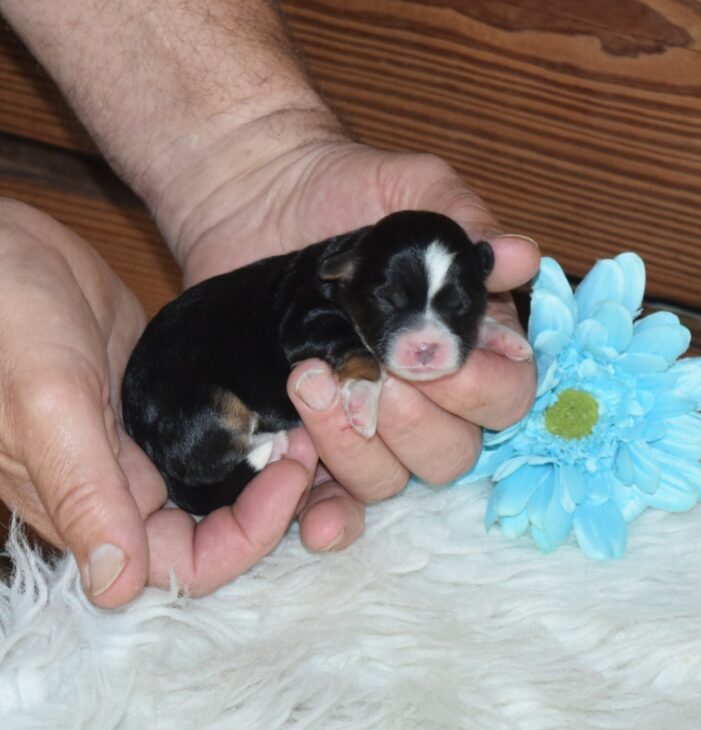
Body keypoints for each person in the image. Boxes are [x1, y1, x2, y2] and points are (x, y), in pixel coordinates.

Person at [0, 0, 540, 608]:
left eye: (456, 310)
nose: (425, 334)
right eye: (398, 305)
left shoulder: (344, 280)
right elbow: (323, 340)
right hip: (190, 403)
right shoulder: (322, 299)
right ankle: (233, 464)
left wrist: (253, 154)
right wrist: (359, 373)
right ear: (346, 277)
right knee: (229, 438)